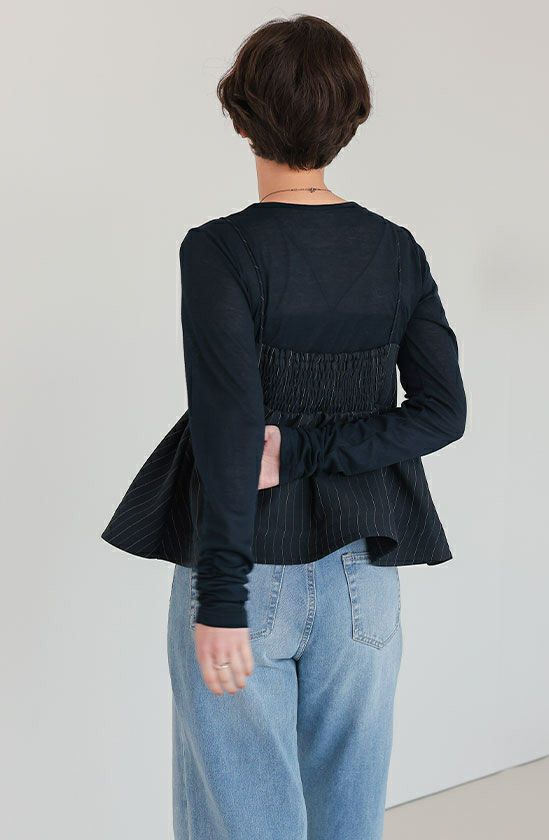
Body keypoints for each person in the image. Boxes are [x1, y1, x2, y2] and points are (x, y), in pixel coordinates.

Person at [102, 13, 467, 840]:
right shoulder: (396, 250)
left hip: (246, 569)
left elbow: (230, 430)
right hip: (365, 577)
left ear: (241, 118)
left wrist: (221, 599)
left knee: (240, 823)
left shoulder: (220, 251)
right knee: (348, 819)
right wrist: (310, 448)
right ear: (352, 120)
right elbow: (444, 412)